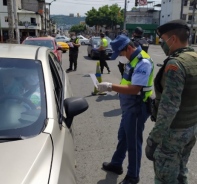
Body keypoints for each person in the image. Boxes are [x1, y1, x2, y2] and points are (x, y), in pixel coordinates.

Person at [145, 19, 197, 184]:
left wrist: (154, 139)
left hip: (174, 132)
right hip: (191, 128)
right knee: (181, 170)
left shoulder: (176, 65)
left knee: (165, 178)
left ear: (173, 39)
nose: (161, 44)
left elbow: (169, 108)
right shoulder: (194, 57)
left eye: (163, 40)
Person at [97, 34, 154, 184]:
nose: (120, 57)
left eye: (121, 53)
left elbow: (135, 89)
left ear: (128, 48)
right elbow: (127, 81)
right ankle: (116, 164)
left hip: (137, 108)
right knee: (123, 137)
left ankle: (133, 176)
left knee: (134, 142)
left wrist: (110, 86)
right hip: (129, 107)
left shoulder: (143, 62)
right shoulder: (132, 59)